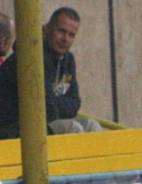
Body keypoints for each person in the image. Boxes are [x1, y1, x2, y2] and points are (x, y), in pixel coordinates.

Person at [0, 6, 101, 140]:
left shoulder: (68, 60)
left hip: (42, 124)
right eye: (61, 31)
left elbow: (75, 103)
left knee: (91, 125)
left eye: (71, 35)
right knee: (72, 128)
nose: (65, 39)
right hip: (14, 129)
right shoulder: (30, 58)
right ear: (47, 28)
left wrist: (53, 102)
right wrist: (55, 104)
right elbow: (47, 108)